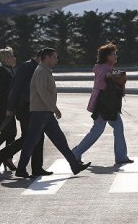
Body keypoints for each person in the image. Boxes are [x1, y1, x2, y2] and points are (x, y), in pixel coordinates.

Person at [15, 48, 91, 178]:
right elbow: (42, 92)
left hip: (45, 112)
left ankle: (74, 165)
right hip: (40, 112)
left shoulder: (45, 71)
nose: (56, 60)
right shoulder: (40, 72)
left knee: (60, 140)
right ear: (48, 58)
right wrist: (54, 107)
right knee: (31, 142)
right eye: (55, 57)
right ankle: (21, 169)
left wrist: (51, 108)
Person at [72, 43, 133, 164]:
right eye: (113, 54)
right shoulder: (103, 68)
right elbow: (100, 84)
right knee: (97, 130)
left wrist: (114, 77)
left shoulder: (108, 67)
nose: (116, 56)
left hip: (110, 105)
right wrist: (111, 78)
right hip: (103, 105)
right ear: (107, 56)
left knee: (118, 127)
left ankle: (121, 156)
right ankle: (75, 153)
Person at [0, 51, 50, 176]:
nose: (14, 58)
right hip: (25, 108)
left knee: (35, 137)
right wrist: (10, 107)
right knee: (29, 138)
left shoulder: (33, 68)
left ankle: (36, 168)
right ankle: (2, 156)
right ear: (41, 57)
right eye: (51, 57)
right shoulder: (26, 67)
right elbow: (15, 89)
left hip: (32, 108)